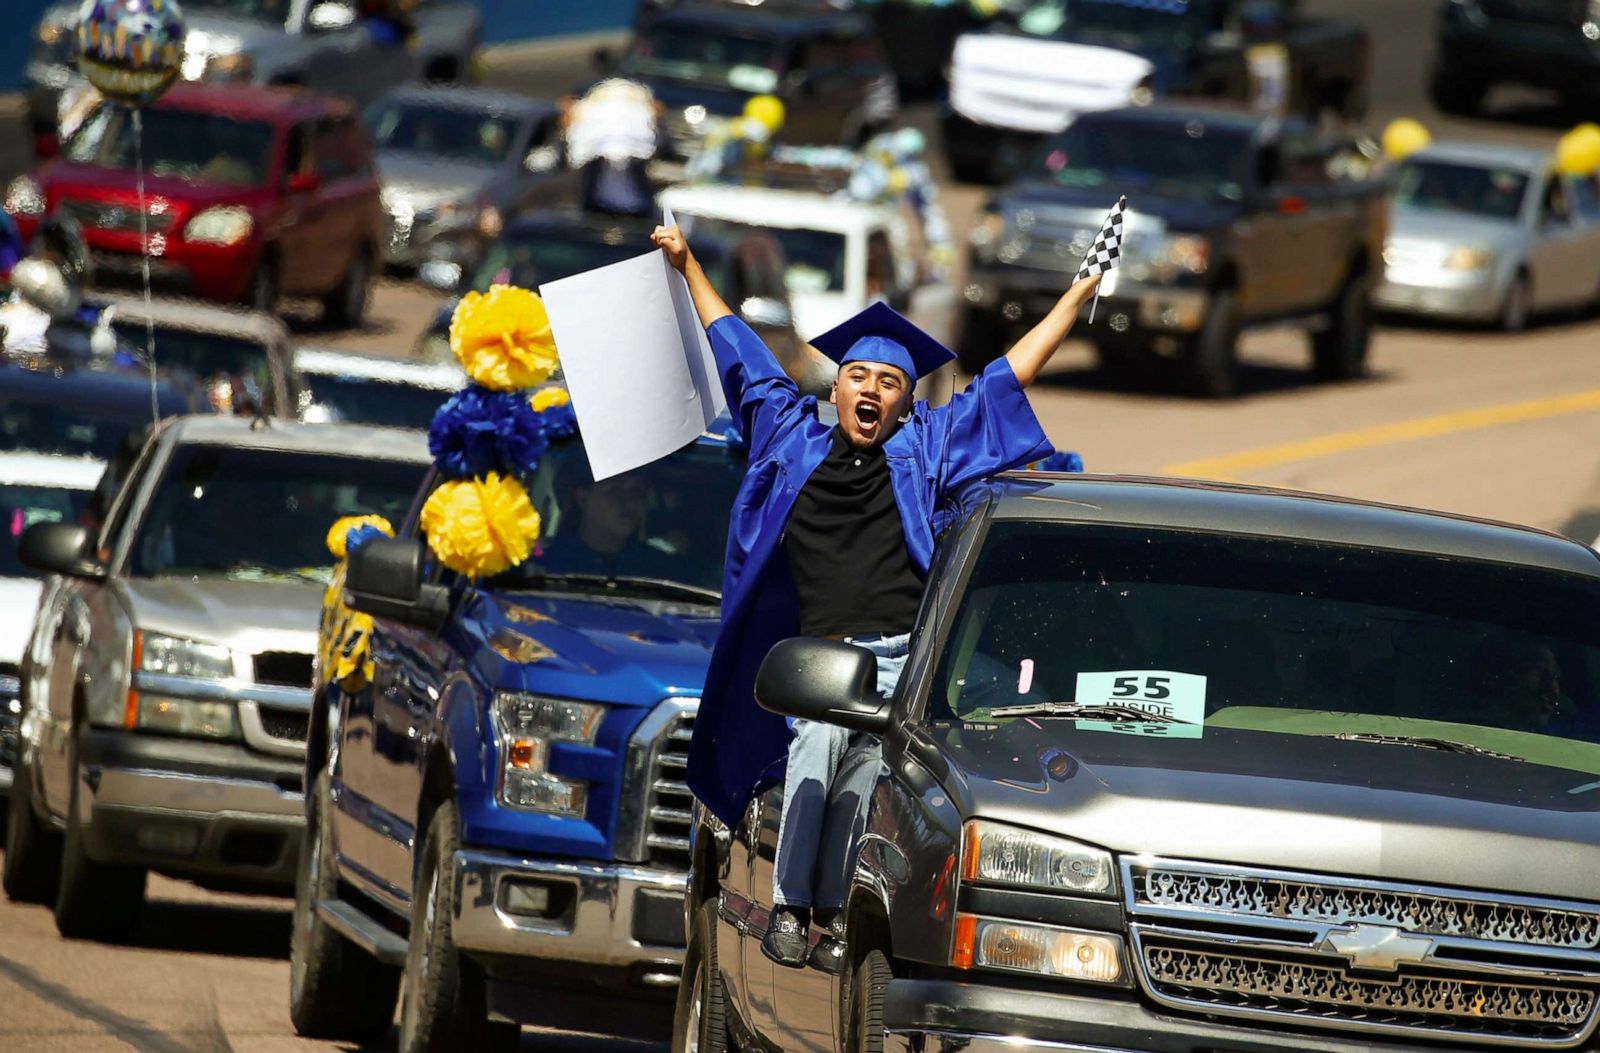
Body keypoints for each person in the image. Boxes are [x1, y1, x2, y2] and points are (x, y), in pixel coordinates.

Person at [653, 222, 1100, 969]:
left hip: (903, 667)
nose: (872, 390)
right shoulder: (788, 437)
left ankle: (841, 924)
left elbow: (1006, 378)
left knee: (874, 781)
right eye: (859, 376)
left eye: (889, 382)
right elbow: (736, 346)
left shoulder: (927, 448)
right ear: (836, 386)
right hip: (822, 662)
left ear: (904, 401)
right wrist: (687, 263)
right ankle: (796, 908)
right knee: (822, 746)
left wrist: (1076, 296)